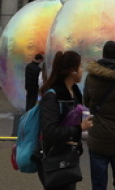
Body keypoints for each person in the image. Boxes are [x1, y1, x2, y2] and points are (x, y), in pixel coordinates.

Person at [39, 51, 93, 190]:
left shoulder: (74, 93)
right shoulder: (53, 96)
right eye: (80, 67)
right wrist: (80, 128)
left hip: (69, 157)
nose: (82, 70)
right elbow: (50, 131)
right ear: (72, 72)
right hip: (55, 159)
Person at [83, 41, 115, 190]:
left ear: (103, 55)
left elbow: (87, 102)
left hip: (97, 138)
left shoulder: (91, 78)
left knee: (98, 184)